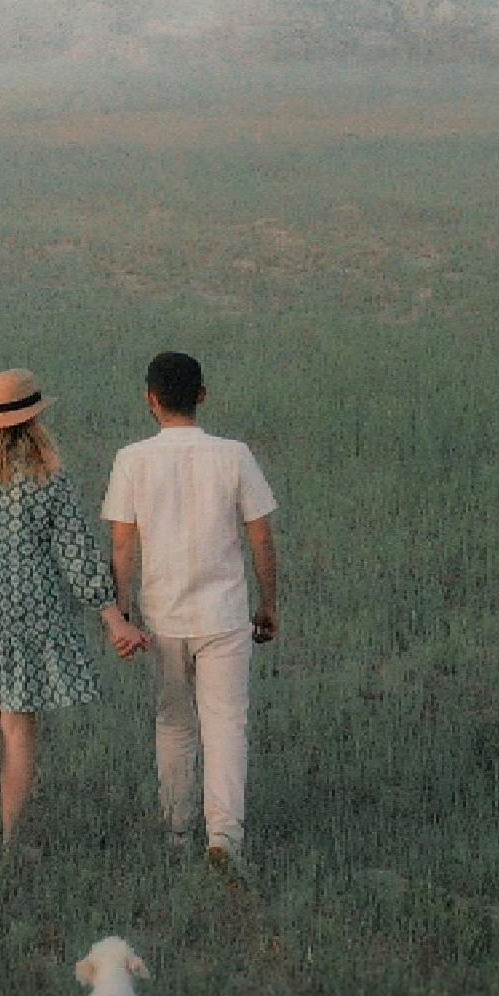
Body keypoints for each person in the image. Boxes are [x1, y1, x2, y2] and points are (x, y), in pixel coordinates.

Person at [0, 367, 144, 846]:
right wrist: (113, 616)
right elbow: (74, 549)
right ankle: (13, 840)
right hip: (29, 615)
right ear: (34, 420)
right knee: (18, 725)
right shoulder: (47, 475)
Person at [101, 350, 279, 868]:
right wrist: (268, 603)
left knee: (174, 724)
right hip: (225, 615)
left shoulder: (132, 459)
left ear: (151, 400)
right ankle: (224, 838)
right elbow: (261, 537)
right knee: (227, 725)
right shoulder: (234, 455)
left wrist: (124, 611)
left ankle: (177, 833)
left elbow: (122, 544)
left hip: (162, 618)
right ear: (203, 395)